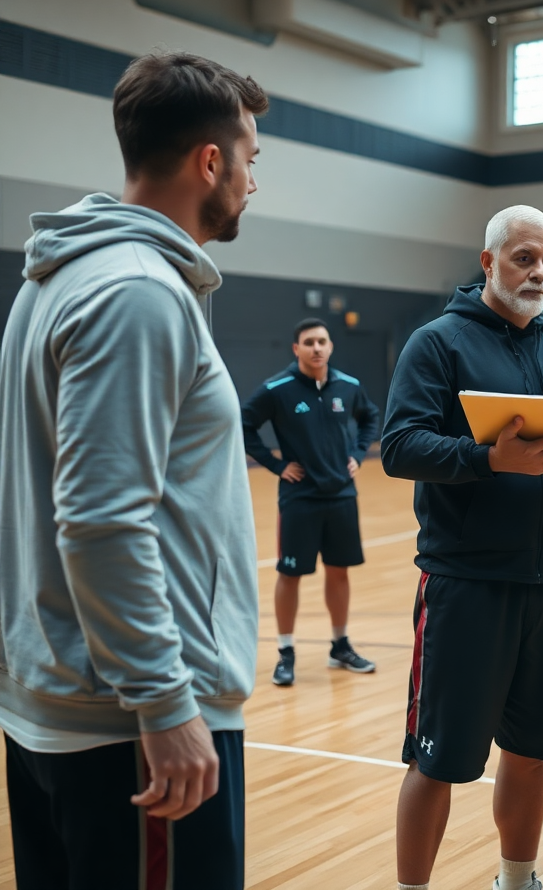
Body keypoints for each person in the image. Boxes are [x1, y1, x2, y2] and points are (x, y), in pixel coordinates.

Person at [0, 52, 266, 888]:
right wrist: (164, 702)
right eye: (251, 160)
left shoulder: (60, 278)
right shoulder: (136, 292)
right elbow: (103, 518)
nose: (254, 183)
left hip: (66, 705)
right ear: (210, 161)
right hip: (133, 725)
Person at [380, 205, 543, 890]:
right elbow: (399, 448)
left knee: (531, 750)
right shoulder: (438, 343)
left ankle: (517, 881)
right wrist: (490, 460)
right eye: (524, 258)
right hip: (466, 585)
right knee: (437, 759)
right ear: (489, 263)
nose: (539, 272)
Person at [242, 318, 381, 686]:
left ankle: (340, 645)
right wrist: (275, 464)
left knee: (340, 571)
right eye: (309, 342)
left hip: (341, 496)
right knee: (289, 574)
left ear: (330, 346)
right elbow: (243, 424)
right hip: (299, 498)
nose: (316, 348)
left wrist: (358, 452)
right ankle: (285, 651)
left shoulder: (348, 386)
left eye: (322, 341)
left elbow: (370, 417)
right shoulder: (278, 388)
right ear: (296, 349)